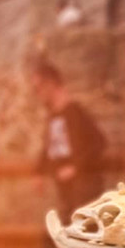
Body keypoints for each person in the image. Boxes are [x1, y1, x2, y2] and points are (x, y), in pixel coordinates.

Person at [30, 55, 106, 221]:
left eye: (38, 88)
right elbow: (49, 147)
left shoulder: (75, 113)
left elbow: (99, 143)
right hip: (67, 194)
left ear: (50, 84)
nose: (37, 94)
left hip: (85, 192)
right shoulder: (53, 117)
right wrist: (38, 172)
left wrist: (75, 167)